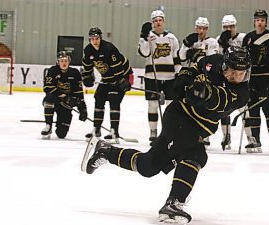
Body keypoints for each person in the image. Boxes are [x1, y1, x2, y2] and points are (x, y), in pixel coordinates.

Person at [81, 46, 251, 225]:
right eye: (232, 71)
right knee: (195, 155)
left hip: (198, 127)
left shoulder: (242, 93)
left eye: (241, 74)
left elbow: (219, 99)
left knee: (149, 166)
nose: (235, 77)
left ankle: (106, 152)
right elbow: (191, 69)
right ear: (224, 65)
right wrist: (185, 83)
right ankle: (174, 203)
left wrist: (205, 92)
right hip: (179, 116)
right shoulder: (213, 62)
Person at [81, 27, 133, 143]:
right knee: (98, 98)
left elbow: (117, 65)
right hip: (107, 79)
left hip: (122, 76)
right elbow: (87, 66)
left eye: (97, 38)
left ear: (100, 38)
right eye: (92, 38)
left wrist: (121, 81)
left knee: (114, 100)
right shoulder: (88, 50)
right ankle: (96, 129)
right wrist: (87, 77)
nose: (95, 40)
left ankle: (114, 131)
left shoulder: (108, 48)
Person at [138, 10, 181, 143]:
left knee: (170, 106)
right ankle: (153, 131)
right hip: (152, 76)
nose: (158, 22)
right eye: (155, 20)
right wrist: (144, 38)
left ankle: (169, 131)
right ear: (152, 23)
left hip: (169, 77)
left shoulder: (172, 38)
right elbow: (144, 53)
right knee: (152, 105)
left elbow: (176, 57)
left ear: (163, 21)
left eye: (160, 20)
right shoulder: (148, 36)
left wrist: (178, 73)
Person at [242, 9, 269, 153]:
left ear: (266, 21)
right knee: (253, 109)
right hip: (252, 78)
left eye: (262, 20)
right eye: (258, 19)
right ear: (254, 21)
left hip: (266, 78)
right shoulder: (248, 38)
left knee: (268, 109)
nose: (260, 22)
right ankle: (255, 139)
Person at [178, 16, 219, 147]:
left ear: (207, 29)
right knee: (191, 104)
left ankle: (204, 134)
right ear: (195, 28)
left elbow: (212, 59)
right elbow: (181, 56)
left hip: (206, 77)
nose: (201, 31)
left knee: (205, 105)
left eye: (204, 28)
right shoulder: (191, 41)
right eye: (199, 28)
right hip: (192, 76)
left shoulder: (212, 42)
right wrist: (185, 44)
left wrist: (198, 56)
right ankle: (190, 132)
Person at [215, 14, 250, 150]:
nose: (229, 29)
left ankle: (250, 137)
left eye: (231, 26)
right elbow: (219, 58)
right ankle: (226, 136)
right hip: (228, 78)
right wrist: (223, 46)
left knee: (244, 109)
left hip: (241, 78)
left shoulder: (243, 38)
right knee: (225, 108)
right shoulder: (219, 39)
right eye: (226, 27)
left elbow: (247, 55)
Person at [41, 51, 88, 139]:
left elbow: (79, 92)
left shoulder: (75, 73)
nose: (64, 63)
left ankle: (60, 124)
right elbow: (47, 88)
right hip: (55, 100)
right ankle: (48, 125)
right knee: (49, 99)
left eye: (66, 60)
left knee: (61, 134)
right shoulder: (53, 71)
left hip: (66, 105)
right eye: (61, 61)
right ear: (58, 62)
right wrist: (64, 97)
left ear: (69, 62)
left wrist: (82, 109)